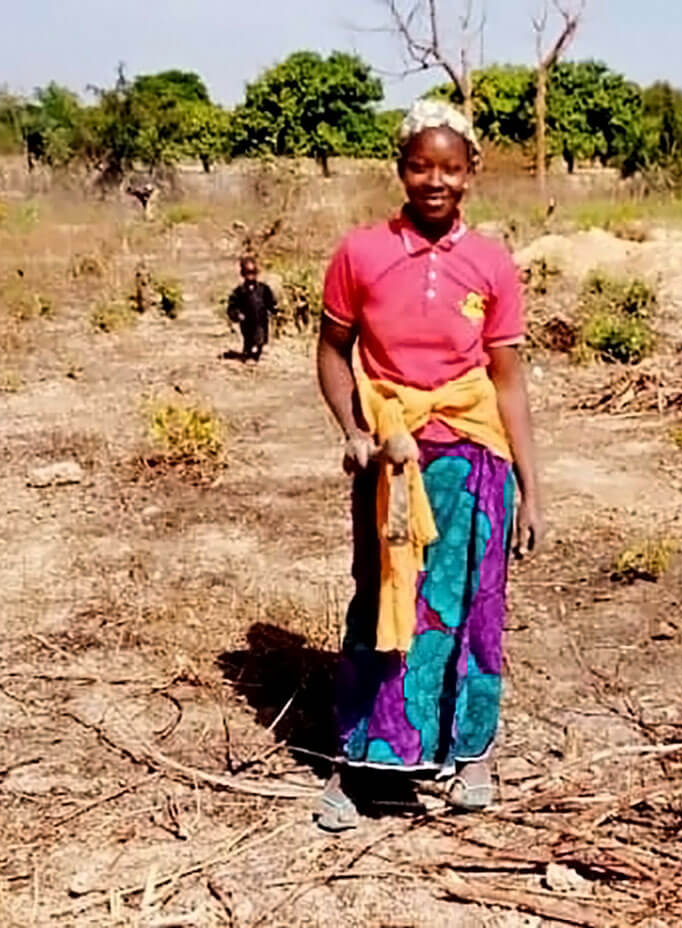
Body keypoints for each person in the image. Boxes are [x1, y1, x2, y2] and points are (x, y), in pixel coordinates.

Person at [314, 99, 544, 828]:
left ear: (471, 173)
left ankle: (470, 752)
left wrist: (532, 491)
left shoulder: (493, 262)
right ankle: (358, 763)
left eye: (449, 167)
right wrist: (355, 428)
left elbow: (508, 379)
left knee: (474, 606)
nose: (434, 180)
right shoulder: (360, 253)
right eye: (420, 165)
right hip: (393, 454)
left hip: (477, 456)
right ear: (401, 170)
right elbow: (331, 352)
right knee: (383, 599)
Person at [226, 256, 277, 362]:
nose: (251, 276)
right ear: (243, 274)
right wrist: (237, 314)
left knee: (260, 337)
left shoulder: (263, 289)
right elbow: (232, 306)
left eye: (253, 272)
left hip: (261, 319)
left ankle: (256, 352)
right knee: (248, 338)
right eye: (248, 272)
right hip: (246, 321)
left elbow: (271, 302)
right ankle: (248, 351)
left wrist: (274, 310)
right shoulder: (239, 291)